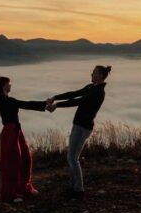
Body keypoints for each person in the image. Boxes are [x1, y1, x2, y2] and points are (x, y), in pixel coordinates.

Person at [47, 64, 111, 199]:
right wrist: (55, 97)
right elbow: (74, 94)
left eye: (94, 73)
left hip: (83, 127)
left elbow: (78, 101)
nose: (91, 74)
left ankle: (78, 190)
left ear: (100, 76)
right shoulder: (91, 88)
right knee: (71, 157)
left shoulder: (98, 92)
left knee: (73, 158)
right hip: (79, 125)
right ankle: (74, 186)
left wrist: (57, 105)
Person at [0, 76, 48, 202]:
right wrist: (46, 105)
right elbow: (26, 104)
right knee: (13, 163)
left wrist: (45, 105)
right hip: (10, 132)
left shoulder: (7, 100)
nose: (11, 85)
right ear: (4, 86)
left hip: (16, 131)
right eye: (9, 83)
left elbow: (26, 104)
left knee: (25, 158)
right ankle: (11, 193)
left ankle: (22, 188)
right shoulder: (6, 100)